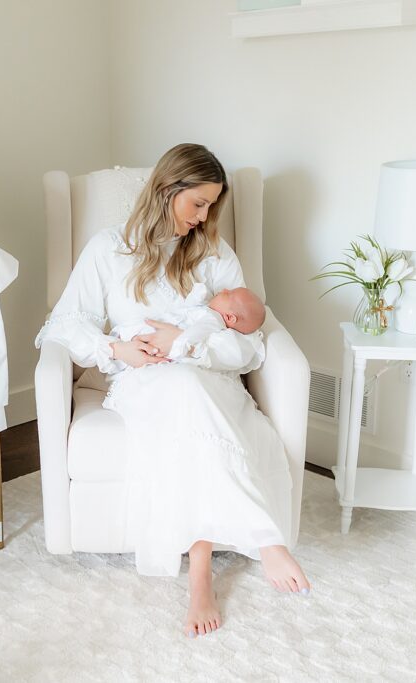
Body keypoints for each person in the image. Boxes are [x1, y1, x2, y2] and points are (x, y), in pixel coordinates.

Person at [35, 143, 310, 639]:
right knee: (179, 392)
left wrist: (186, 347)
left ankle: (201, 571)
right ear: (167, 189)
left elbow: (248, 345)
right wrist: (119, 351)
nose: (204, 218)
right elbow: (63, 325)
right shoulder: (107, 248)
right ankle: (263, 539)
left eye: (211, 207)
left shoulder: (213, 252)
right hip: (141, 380)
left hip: (207, 377)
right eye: (198, 203)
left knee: (189, 391)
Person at [109, 285, 267, 366]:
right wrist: (198, 295)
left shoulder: (213, 320)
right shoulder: (208, 311)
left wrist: (180, 344)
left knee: (141, 331)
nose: (224, 289)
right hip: (167, 329)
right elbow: (188, 308)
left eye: (228, 294)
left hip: (168, 337)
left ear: (229, 317)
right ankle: (123, 343)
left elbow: (195, 334)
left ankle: (121, 342)